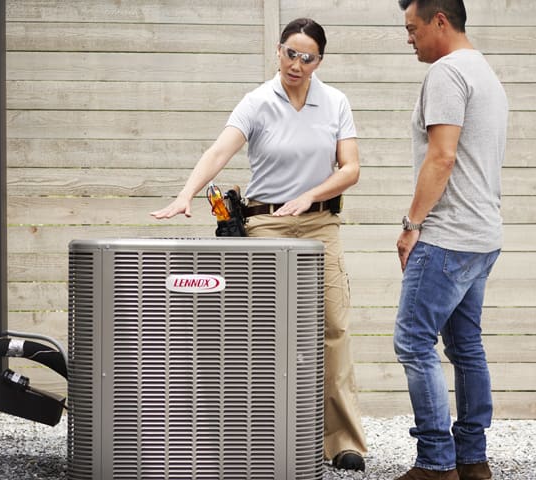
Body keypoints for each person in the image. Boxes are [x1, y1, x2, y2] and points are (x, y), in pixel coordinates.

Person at [149, 18, 368, 472]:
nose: (296, 63)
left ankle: (343, 442)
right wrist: (184, 195)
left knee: (333, 331)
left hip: (320, 225)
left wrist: (310, 194)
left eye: (307, 57)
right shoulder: (256, 102)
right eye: (290, 52)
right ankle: (258, 433)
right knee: (261, 337)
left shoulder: (336, 102)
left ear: (319, 61)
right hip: (266, 227)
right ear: (278, 50)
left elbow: (350, 169)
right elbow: (218, 153)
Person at [392, 1, 507, 479]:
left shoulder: (446, 73)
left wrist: (411, 222)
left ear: (440, 21)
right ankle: (472, 460)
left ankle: (436, 463)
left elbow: (442, 158)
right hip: (482, 235)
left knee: (413, 342)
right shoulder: (486, 73)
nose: (409, 38)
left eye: (413, 28)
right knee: (465, 346)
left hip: (447, 236)